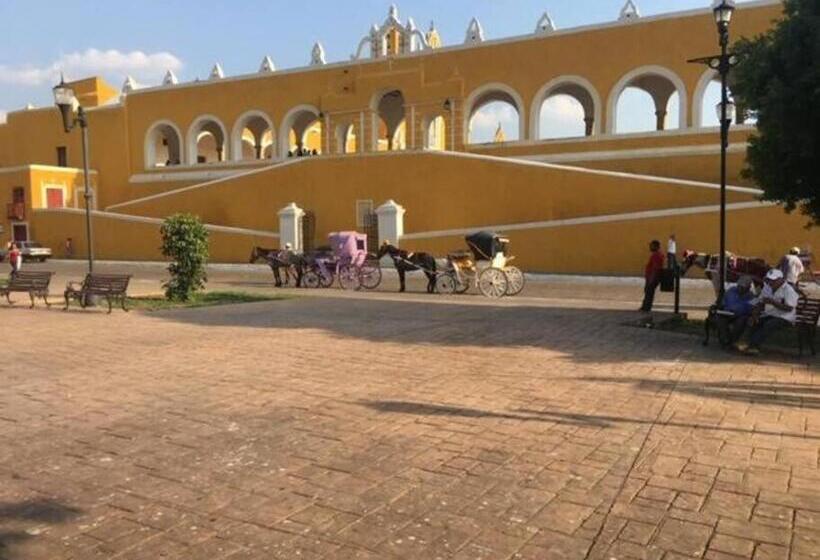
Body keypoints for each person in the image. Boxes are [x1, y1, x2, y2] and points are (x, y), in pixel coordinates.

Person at [737, 269, 799, 354]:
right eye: (769, 280)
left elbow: (789, 308)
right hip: (772, 314)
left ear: (780, 279)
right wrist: (755, 314)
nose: (770, 283)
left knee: (768, 325)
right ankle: (747, 344)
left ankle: (753, 346)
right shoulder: (767, 288)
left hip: (785, 317)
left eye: (773, 280)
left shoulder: (788, 290)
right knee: (754, 321)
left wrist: (773, 302)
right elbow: (760, 302)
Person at [722, 276, 756, 343]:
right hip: (727, 313)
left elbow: (750, 310)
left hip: (740, 315)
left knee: (740, 321)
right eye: (739, 285)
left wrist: (739, 312)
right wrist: (724, 308)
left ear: (748, 287)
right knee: (720, 319)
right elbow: (723, 302)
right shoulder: (731, 291)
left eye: (742, 287)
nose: (739, 288)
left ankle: (732, 341)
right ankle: (726, 338)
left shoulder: (751, 296)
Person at [640, 240, 665, 312]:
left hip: (652, 278)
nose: (650, 247)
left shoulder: (656, 255)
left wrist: (651, 279)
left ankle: (646, 308)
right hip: (653, 277)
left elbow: (655, 268)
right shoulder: (659, 254)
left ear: (656, 246)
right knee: (648, 292)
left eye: (651, 245)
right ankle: (645, 307)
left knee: (649, 292)